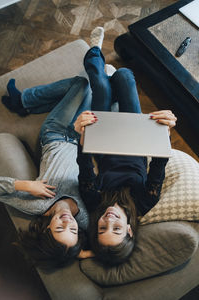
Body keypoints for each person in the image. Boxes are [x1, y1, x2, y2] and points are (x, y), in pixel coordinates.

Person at [74, 27, 177, 266]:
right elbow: (160, 162)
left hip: (104, 142)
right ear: (130, 230)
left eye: (102, 229)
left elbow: (85, 165)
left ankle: (95, 51)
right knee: (124, 75)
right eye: (116, 228)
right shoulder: (144, 202)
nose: (109, 219)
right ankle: (114, 91)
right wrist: (165, 130)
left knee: (99, 85)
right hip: (135, 142)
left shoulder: (93, 201)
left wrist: (81, 135)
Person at [0, 75, 93, 269]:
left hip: (55, 134)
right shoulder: (84, 219)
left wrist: (25, 185)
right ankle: (28, 106)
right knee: (93, 90)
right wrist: (81, 253)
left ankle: (24, 101)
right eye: (73, 231)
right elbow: (107, 245)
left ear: (47, 228)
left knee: (81, 84)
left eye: (60, 228)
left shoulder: (35, 206)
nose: (68, 222)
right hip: (83, 137)